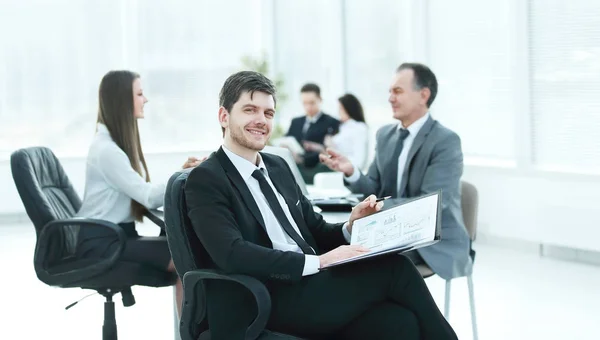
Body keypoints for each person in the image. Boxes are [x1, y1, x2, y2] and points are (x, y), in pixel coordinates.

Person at [184, 71, 458, 339]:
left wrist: (351, 226)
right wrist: (318, 261)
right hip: (268, 296)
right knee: (396, 269)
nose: (261, 120)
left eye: (268, 113)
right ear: (224, 116)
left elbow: (313, 228)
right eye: (250, 110)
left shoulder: (278, 166)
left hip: (311, 286)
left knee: (400, 323)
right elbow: (231, 253)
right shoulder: (207, 178)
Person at [320, 63, 472, 281]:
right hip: (390, 231)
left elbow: (431, 203)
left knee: (368, 265)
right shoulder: (385, 135)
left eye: (398, 91)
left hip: (433, 240)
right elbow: (374, 187)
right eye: (389, 92)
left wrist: (379, 208)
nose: (390, 98)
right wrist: (352, 172)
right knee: (336, 252)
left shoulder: (445, 141)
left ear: (423, 95)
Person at [75, 70, 201, 316]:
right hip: (103, 243)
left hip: (112, 236)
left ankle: (190, 330)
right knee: (188, 257)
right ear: (122, 99)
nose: (146, 99)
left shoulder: (112, 145)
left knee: (187, 253)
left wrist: (181, 173)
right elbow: (148, 196)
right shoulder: (107, 150)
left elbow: (143, 193)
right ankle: (192, 332)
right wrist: (182, 175)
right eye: (140, 94)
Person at [284, 83, 340, 183]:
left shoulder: (331, 122)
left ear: (320, 100)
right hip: (294, 168)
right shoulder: (296, 121)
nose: (308, 107)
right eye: (305, 103)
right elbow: (288, 140)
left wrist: (317, 148)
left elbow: (332, 149)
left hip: (317, 170)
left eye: (312, 103)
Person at [303, 93, 369, 169]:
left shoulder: (359, 127)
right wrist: (321, 148)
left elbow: (359, 160)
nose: (338, 112)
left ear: (349, 109)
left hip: (345, 169)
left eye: (341, 108)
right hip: (334, 166)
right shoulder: (342, 127)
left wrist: (331, 146)